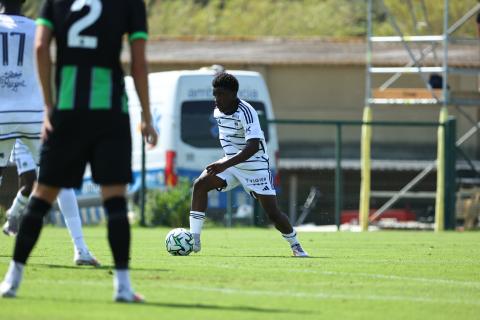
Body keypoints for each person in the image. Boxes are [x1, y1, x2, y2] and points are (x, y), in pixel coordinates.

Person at [0, 0, 157, 303]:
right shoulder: (129, 5)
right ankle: (122, 286)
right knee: (114, 199)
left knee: (43, 194)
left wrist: (49, 104)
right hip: (110, 111)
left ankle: (12, 280)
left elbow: (41, 49)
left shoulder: (57, 2)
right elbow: (139, 63)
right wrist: (147, 117)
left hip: (67, 111)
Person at [188, 72, 309, 258]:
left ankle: (296, 245)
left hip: (254, 166)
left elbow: (252, 147)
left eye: (221, 94)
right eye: (215, 94)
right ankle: (193, 240)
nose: (217, 99)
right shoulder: (217, 111)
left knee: (272, 214)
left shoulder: (247, 111)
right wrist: (225, 163)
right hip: (230, 164)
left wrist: (224, 163)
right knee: (200, 184)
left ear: (233, 94)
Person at [4, 140, 99, 267]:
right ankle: (14, 214)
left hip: (46, 136)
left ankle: (80, 247)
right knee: (29, 185)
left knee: (63, 183)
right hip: (23, 133)